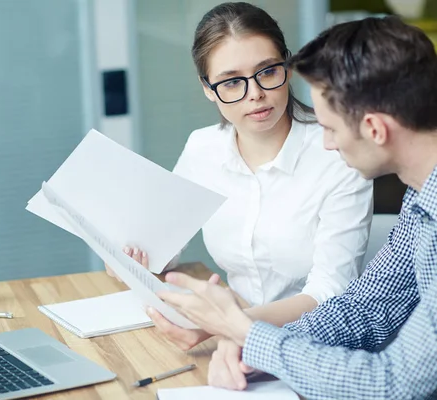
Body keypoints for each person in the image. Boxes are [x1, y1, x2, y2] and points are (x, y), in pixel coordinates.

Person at [158, 16, 437, 399]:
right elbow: (370, 306)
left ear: (374, 129)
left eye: (330, 128)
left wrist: (251, 336)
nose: (324, 144)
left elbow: (394, 384)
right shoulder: (421, 198)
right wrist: (247, 336)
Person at [107, 2, 373, 351]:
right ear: (207, 87)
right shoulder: (203, 149)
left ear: (287, 67)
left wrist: (228, 325)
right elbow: (165, 250)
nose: (255, 94)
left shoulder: (337, 154)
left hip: (315, 345)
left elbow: (330, 292)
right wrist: (133, 257)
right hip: (230, 337)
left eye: (267, 72)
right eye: (232, 82)